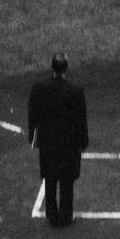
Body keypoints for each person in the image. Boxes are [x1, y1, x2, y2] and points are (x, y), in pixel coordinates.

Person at [28, 55, 90, 227]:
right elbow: (81, 120)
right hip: (68, 144)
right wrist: (83, 142)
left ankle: (52, 215)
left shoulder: (39, 88)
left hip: (48, 142)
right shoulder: (76, 91)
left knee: (50, 177)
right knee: (66, 179)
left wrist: (33, 137)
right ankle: (65, 215)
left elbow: (32, 113)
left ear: (52, 68)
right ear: (66, 69)